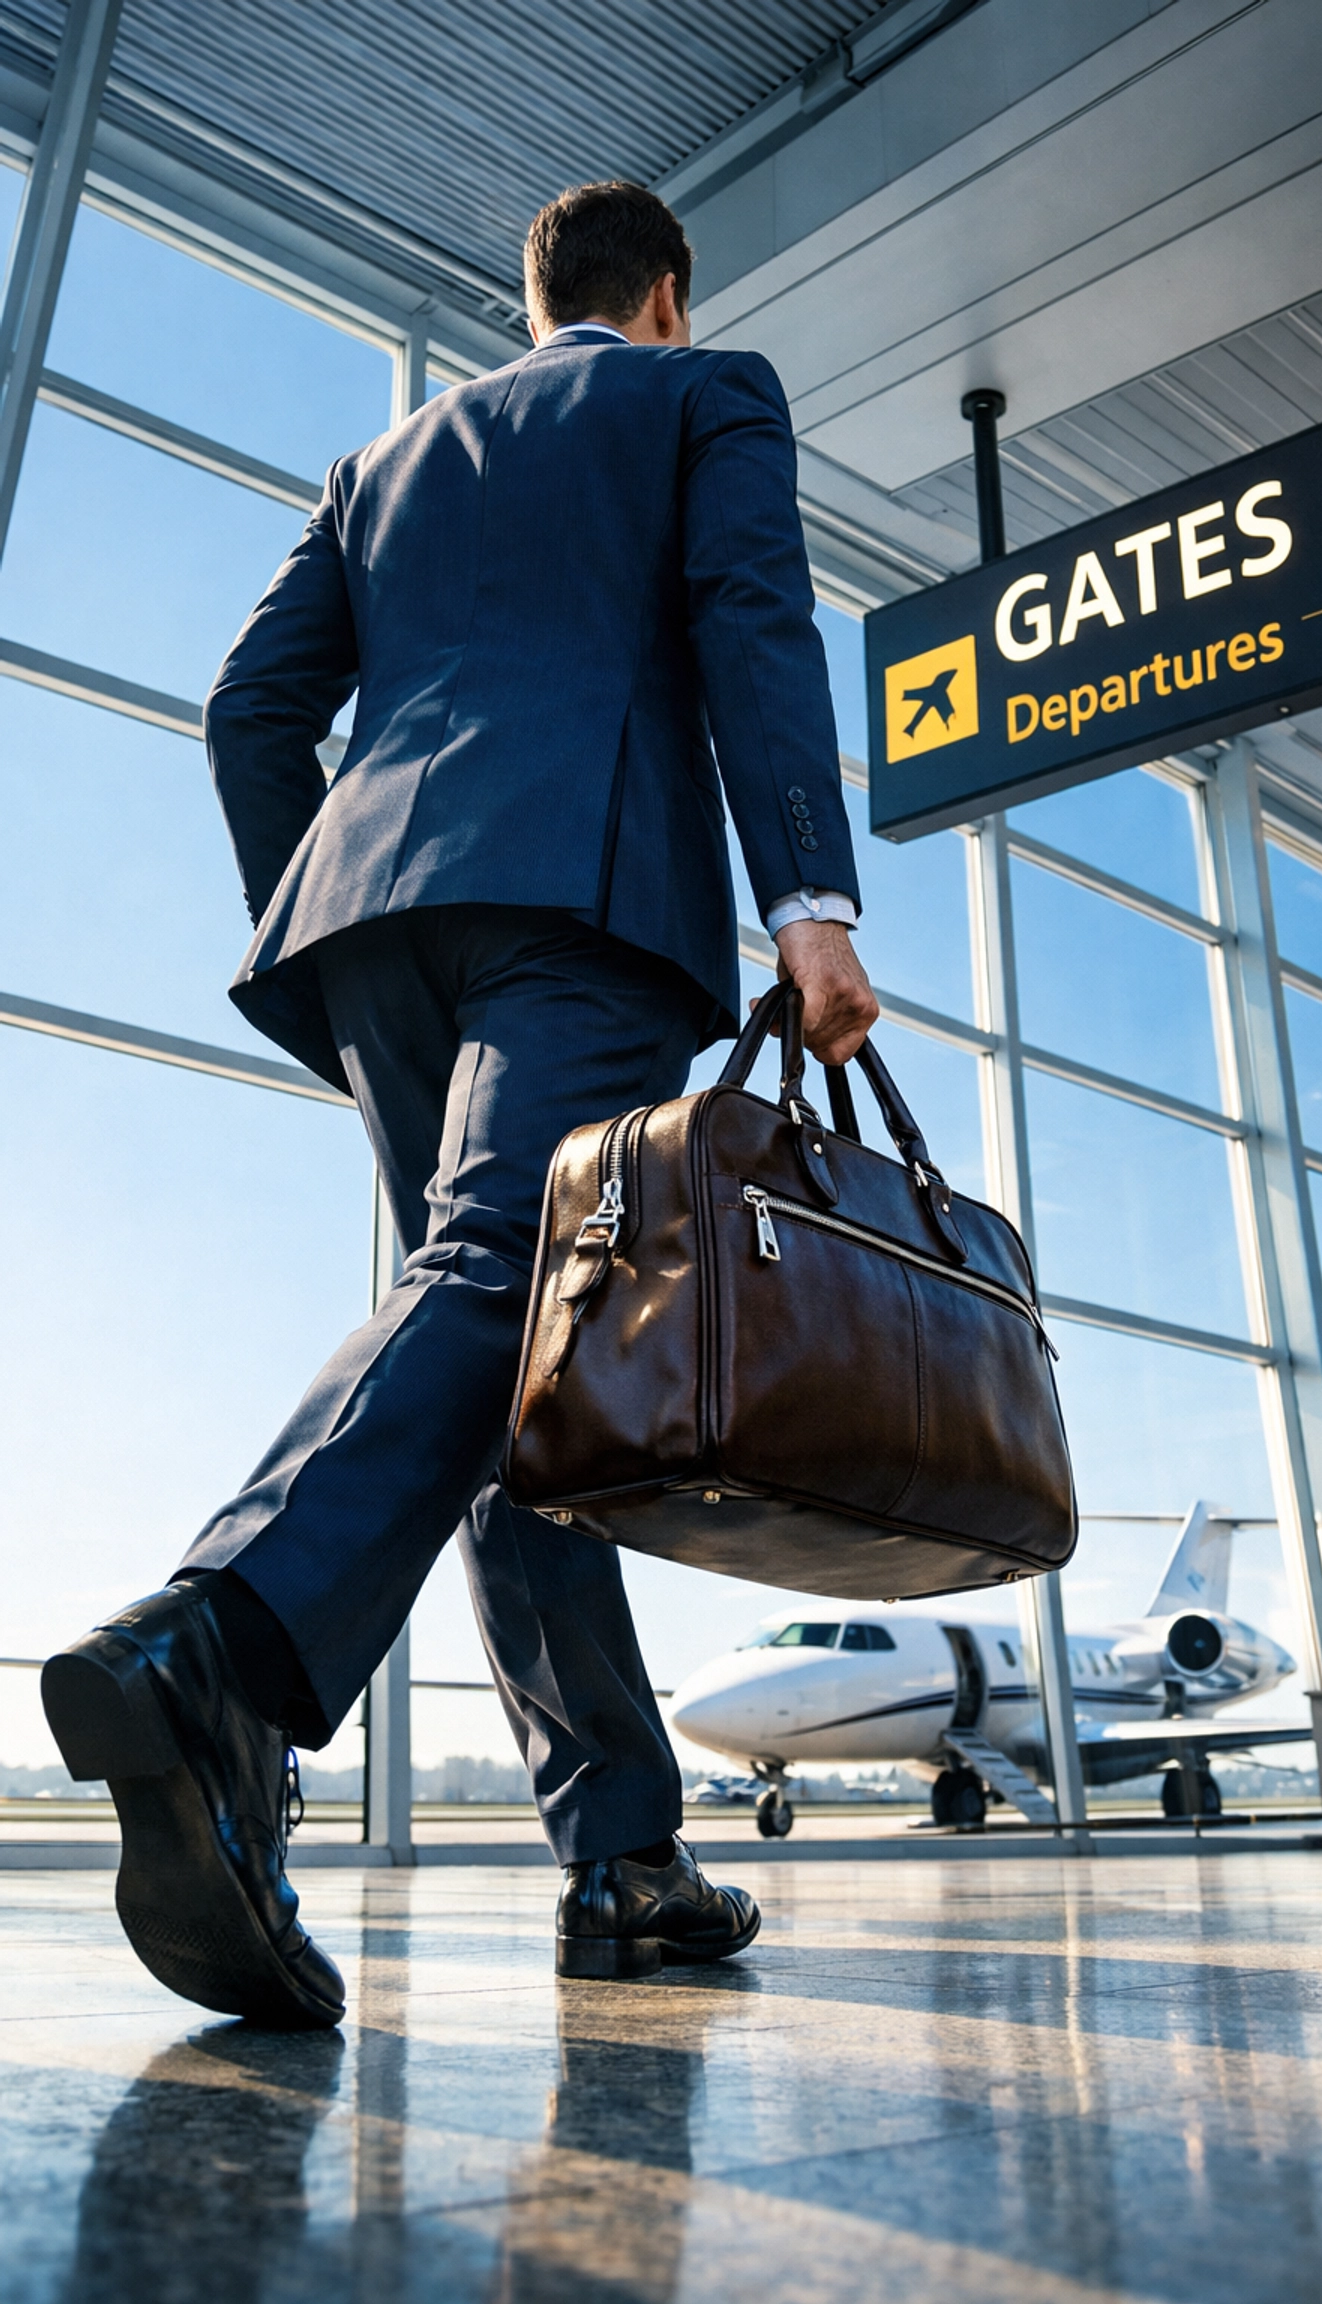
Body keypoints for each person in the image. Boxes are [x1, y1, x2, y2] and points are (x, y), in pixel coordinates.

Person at [41, 179, 878, 2025]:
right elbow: (752, 617)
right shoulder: (704, 391)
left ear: (534, 298)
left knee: (524, 1360)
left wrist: (333, 909)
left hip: (374, 924)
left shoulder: (381, 465)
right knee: (513, 1279)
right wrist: (808, 902)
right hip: (585, 893)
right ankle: (225, 1647)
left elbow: (249, 710)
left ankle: (623, 1851)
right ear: (666, 294)